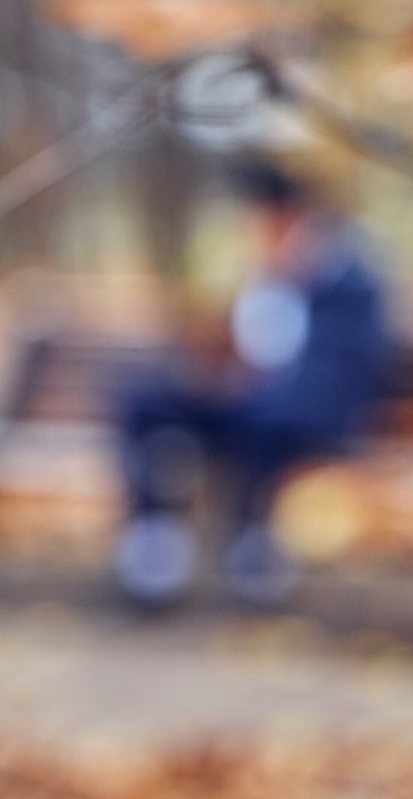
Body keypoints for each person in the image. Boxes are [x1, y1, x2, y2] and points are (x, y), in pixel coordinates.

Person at [114, 158, 398, 606]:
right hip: (249, 405)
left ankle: (253, 544)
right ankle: (155, 546)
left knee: (270, 415)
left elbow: (352, 363)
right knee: (147, 401)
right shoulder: (259, 273)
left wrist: (301, 277)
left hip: (306, 413)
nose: (262, 231)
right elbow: (239, 347)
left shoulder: (348, 277)